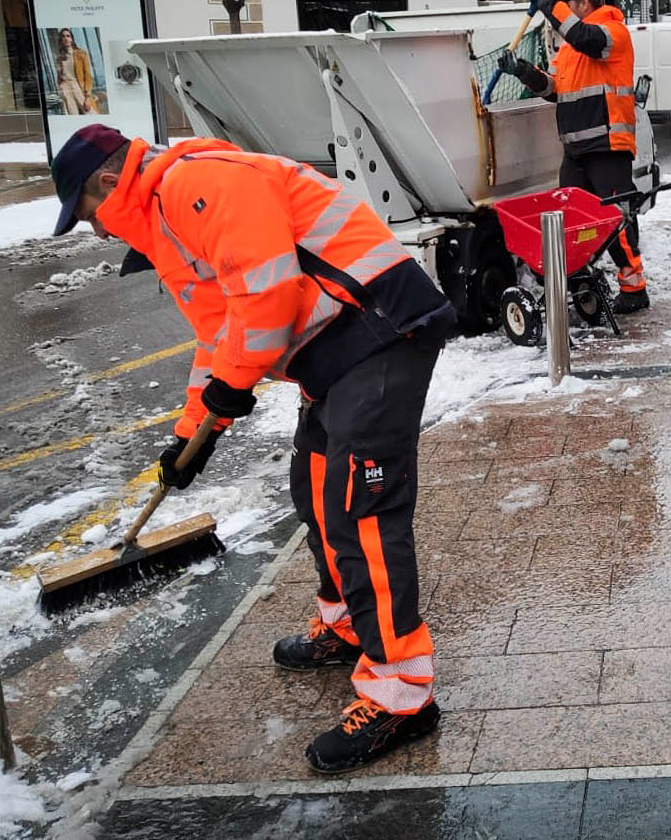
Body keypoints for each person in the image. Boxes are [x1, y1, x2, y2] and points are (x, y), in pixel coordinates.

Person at [50, 124, 456, 773]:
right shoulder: (169, 221)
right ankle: (349, 624)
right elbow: (220, 336)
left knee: (361, 509)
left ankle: (403, 695)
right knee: (314, 489)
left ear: (106, 182)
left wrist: (229, 394)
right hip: (335, 353)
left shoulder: (196, 184)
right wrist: (192, 436)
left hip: (379, 327)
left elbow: (268, 299)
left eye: (88, 214)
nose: (95, 231)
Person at [498, 0, 650, 315]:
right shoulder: (568, 51)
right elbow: (553, 88)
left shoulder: (612, 33)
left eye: (568, 5)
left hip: (607, 144)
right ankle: (581, 280)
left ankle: (634, 286)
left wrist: (550, 3)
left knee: (616, 218)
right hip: (575, 149)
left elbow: (585, 39)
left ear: (581, 3)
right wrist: (524, 72)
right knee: (572, 223)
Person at [56, 28, 94, 116]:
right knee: (72, 114)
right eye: (63, 37)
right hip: (65, 88)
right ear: (61, 40)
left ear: (72, 39)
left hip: (78, 86)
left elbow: (88, 75)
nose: (66, 38)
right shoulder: (59, 58)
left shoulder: (81, 54)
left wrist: (87, 97)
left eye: (68, 36)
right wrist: (60, 87)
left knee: (90, 113)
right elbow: (59, 76)